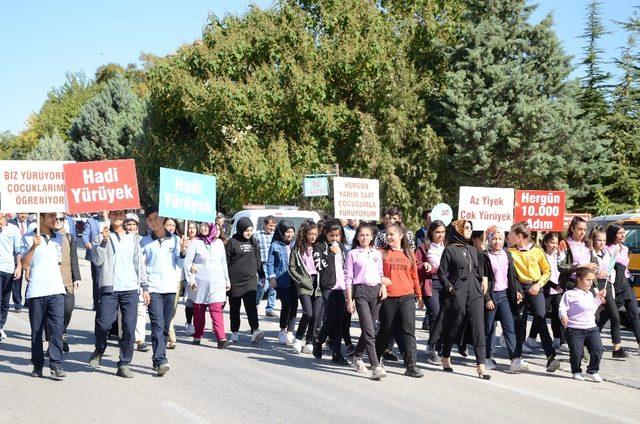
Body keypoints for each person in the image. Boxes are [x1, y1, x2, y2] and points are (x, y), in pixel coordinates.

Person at [89, 209, 149, 378]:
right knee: (104, 324)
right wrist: (104, 242)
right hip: (110, 287)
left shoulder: (135, 239)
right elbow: (97, 260)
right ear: (109, 216)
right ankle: (99, 350)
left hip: (130, 288)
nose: (117, 217)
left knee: (130, 327)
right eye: (114, 214)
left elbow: (140, 265)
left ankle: (124, 363)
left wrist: (144, 287)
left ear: (124, 217)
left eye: (120, 214)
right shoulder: (102, 235)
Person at [438, 220, 489, 379]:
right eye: (466, 227)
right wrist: (450, 288)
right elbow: (441, 273)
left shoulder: (473, 249)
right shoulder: (449, 250)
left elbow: (478, 269)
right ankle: (445, 354)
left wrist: (484, 277)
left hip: (474, 289)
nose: (469, 230)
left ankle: (481, 364)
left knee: (478, 324)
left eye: (470, 228)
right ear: (458, 230)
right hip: (458, 289)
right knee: (455, 322)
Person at [508, 222, 560, 373]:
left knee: (540, 317)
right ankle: (517, 357)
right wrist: (517, 289)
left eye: (511, 235)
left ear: (519, 236)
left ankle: (551, 356)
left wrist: (539, 285)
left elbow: (547, 271)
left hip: (536, 287)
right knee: (520, 322)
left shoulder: (537, 251)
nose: (508, 237)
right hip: (520, 288)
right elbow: (511, 274)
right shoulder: (510, 252)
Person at [374, 222, 423, 377]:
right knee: (386, 329)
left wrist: (419, 294)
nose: (389, 237)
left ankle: (411, 365)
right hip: (388, 297)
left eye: (392, 234)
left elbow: (414, 275)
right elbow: (376, 273)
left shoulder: (409, 253)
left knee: (409, 331)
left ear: (401, 235)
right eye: (387, 234)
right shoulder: (381, 253)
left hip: (407, 296)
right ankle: (375, 358)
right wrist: (381, 281)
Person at [139, 206, 184, 376]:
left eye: (156, 218)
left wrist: (183, 252)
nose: (153, 222)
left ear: (162, 219)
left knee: (165, 326)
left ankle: (157, 357)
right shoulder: (144, 242)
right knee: (157, 325)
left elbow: (179, 264)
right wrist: (144, 288)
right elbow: (142, 267)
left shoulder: (175, 240)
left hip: (170, 288)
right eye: (150, 220)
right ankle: (160, 359)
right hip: (153, 289)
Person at [21, 212, 67, 378]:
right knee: (37, 331)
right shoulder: (27, 237)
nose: (55, 219)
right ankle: (37, 364)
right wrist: (33, 246)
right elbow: (25, 264)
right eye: (51, 216)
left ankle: (56, 364)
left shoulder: (58, 238)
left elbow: (59, 263)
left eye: (56, 216)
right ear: (41, 218)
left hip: (56, 290)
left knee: (56, 328)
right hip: (37, 291)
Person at [345, 222, 388, 380]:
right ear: (357, 236)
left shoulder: (377, 253)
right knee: (369, 330)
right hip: (361, 291)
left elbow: (380, 273)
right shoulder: (352, 254)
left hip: (375, 292)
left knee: (370, 329)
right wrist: (349, 300)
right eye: (361, 235)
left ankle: (357, 357)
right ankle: (376, 366)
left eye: (367, 235)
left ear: (372, 237)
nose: (364, 237)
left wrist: (383, 285)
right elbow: (348, 278)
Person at [482, 226, 523, 372]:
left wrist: (518, 290)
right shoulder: (484, 256)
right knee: (489, 328)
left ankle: (514, 359)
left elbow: (513, 277)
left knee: (509, 327)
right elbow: (481, 280)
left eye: (499, 238)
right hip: (491, 295)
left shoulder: (507, 255)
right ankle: (486, 357)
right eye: (493, 238)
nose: (497, 242)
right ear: (489, 239)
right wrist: (487, 298)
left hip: (505, 295)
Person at [184, 222, 231, 348]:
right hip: (199, 283)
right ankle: (198, 334)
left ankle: (221, 338)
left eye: (207, 226)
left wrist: (227, 280)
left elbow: (223, 263)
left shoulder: (219, 243)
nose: (204, 228)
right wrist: (191, 281)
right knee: (199, 311)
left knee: (216, 309)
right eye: (202, 226)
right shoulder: (196, 242)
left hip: (217, 282)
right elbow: (188, 263)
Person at [312, 219, 349, 364]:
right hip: (328, 286)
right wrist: (331, 254)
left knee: (340, 319)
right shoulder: (319, 246)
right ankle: (319, 339)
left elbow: (346, 264)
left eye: (337, 236)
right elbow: (319, 266)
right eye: (331, 236)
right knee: (332, 317)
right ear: (326, 233)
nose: (334, 239)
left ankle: (336, 353)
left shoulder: (341, 246)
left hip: (341, 286)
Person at [559, 267, 606, 382]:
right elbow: (562, 308)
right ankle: (576, 371)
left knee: (598, 350)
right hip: (575, 329)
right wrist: (563, 316)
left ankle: (592, 371)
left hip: (591, 328)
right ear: (579, 280)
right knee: (577, 353)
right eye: (588, 280)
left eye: (592, 280)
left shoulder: (590, 294)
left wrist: (599, 299)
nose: (591, 282)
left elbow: (592, 309)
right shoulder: (569, 294)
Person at [44, 213, 81, 353]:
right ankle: (54, 343)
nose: (58, 221)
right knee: (53, 315)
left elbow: (74, 259)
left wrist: (77, 277)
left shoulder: (69, 237)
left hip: (67, 281)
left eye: (61, 219)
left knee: (68, 309)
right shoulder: (46, 235)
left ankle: (61, 334)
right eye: (56, 218)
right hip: (51, 282)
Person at [601, 224, 640, 354]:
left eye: (624, 233)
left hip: (625, 284)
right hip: (614, 285)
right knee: (608, 315)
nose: (623, 235)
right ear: (613, 234)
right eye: (620, 233)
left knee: (634, 314)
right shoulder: (606, 248)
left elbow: (625, 266)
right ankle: (589, 339)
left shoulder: (625, 248)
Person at [226, 217, 265, 344]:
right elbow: (225, 262)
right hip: (234, 282)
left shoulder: (253, 241)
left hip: (250, 280)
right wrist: (225, 280)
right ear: (241, 229)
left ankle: (255, 330)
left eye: (251, 230)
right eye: (247, 230)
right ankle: (235, 332)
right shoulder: (232, 242)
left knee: (251, 307)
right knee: (235, 308)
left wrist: (262, 274)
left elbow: (258, 260)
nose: (249, 233)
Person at [590, 227, 626, 358]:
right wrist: (597, 274)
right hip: (594, 286)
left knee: (615, 316)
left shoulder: (607, 253)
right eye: (599, 240)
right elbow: (586, 273)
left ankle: (617, 348)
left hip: (607, 285)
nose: (602, 243)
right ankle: (587, 345)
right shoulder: (590, 254)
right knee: (593, 318)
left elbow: (612, 269)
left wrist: (610, 276)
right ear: (593, 240)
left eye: (604, 240)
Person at [415, 220, 446, 365]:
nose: (440, 235)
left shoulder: (448, 247)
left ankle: (435, 345)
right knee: (435, 313)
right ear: (431, 233)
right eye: (437, 232)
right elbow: (415, 264)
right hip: (430, 284)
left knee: (444, 316)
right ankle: (433, 349)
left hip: (446, 285)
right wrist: (424, 265)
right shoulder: (424, 248)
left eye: (443, 232)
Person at [288, 220, 320, 354]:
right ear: (305, 234)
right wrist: (301, 280)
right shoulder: (297, 249)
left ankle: (309, 341)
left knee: (316, 315)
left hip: (318, 283)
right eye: (310, 234)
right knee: (308, 312)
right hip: (304, 284)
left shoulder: (320, 247)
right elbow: (291, 268)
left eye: (315, 234)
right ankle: (298, 338)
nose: (313, 237)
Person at [268, 220, 297, 345]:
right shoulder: (275, 245)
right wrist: (272, 277)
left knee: (294, 304)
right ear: (281, 232)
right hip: (281, 279)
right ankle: (282, 330)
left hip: (295, 279)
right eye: (287, 232)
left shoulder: (295, 244)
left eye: (291, 232)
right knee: (287, 304)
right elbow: (270, 263)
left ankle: (290, 331)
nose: (289, 235)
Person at [125, 213, 150, 352]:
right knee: (126, 313)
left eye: (134, 224)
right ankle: (126, 336)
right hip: (125, 283)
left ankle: (140, 339)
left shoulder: (143, 241)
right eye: (129, 224)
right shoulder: (121, 240)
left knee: (141, 310)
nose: (132, 227)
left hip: (140, 281)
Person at [0, 213, 22, 339]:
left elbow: (18, 249)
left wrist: (18, 266)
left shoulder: (13, 229)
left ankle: (1, 326)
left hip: (8, 268)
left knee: (5, 302)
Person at [165, 217, 185, 349]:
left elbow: (181, 262)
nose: (171, 227)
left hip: (176, 280)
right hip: (160, 280)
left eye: (173, 225)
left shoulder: (178, 240)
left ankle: (167, 334)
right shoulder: (155, 240)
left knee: (171, 310)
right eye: (168, 225)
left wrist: (183, 252)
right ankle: (170, 336)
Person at [82, 212, 106, 311]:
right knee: (97, 279)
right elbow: (85, 234)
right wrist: (87, 242)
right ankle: (96, 303)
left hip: (108, 253)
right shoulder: (91, 221)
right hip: (96, 253)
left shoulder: (112, 220)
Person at [255, 216, 278, 317]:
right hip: (262, 265)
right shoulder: (257, 235)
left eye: (274, 226)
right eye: (270, 225)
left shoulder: (276, 236)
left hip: (272, 265)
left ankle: (269, 309)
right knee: (261, 287)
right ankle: (255, 304)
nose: (272, 228)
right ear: (265, 224)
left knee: (273, 288)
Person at [182, 221, 198, 336]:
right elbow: (181, 257)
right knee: (189, 301)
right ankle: (189, 322)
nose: (191, 230)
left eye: (194, 228)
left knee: (197, 301)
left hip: (198, 274)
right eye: (190, 227)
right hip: (187, 275)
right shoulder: (184, 241)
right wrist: (183, 249)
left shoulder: (200, 242)